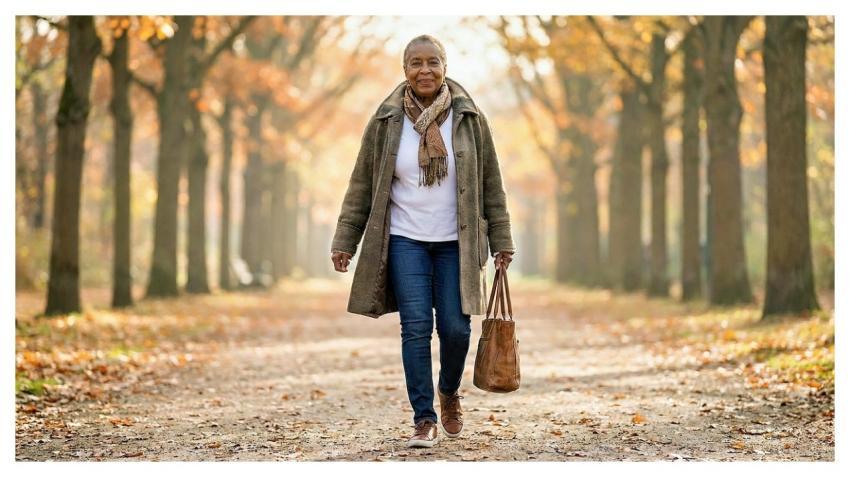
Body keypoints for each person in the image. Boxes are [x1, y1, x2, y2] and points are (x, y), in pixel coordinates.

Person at [330, 34, 515, 448]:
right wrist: (346, 239)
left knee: (455, 329)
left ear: (445, 67)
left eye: (433, 62)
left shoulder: (469, 118)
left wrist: (502, 238)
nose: (425, 70)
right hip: (405, 240)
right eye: (416, 63)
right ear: (405, 70)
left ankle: (448, 393)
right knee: (415, 329)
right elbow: (361, 184)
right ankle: (424, 417)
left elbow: (491, 184)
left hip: (457, 243)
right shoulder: (386, 120)